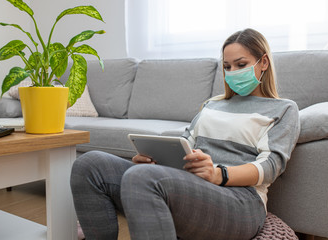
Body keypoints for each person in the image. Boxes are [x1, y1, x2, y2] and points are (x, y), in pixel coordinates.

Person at [70, 28, 300, 240]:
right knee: (89, 164)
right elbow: (184, 145)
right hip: (192, 187)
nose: (233, 72)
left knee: (142, 177)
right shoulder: (212, 105)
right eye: (227, 67)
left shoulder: (283, 109)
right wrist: (153, 160)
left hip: (241, 201)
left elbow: (271, 166)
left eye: (241, 64)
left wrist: (219, 175)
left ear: (264, 63)